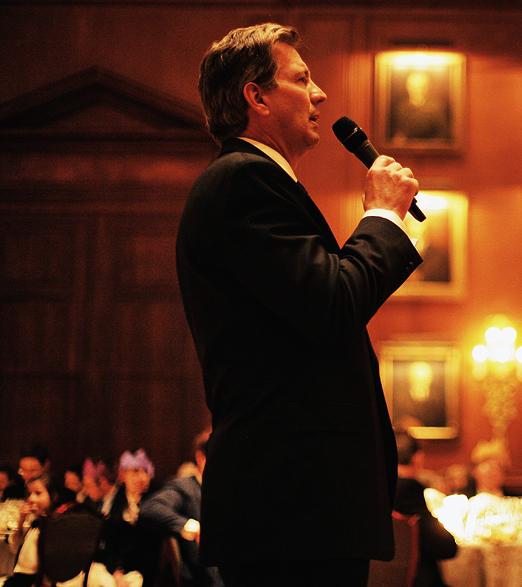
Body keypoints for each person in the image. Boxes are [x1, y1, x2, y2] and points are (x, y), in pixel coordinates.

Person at [175, 23, 422, 587]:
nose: (321, 95)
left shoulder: (260, 182)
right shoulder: (243, 180)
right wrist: (382, 216)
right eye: (302, 79)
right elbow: (333, 302)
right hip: (290, 505)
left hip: (297, 506)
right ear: (256, 97)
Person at [139, 430, 222, 587]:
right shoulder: (186, 488)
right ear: (200, 458)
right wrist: (192, 526)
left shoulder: (228, 490)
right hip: (206, 580)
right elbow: (151, 507)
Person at [392, 429, 457, 587]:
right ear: (417, 458)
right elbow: (445, 547)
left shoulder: (379, 487)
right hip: (414, 580)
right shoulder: (408, 488)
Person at [98, 449, 161, 587]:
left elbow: (152, 544)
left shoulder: (155, 497)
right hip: (119, 570)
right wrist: (117, 572)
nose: (141, 477)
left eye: (144, 471)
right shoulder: (118, 498)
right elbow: (111, 542)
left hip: (146, 570)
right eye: (135, 472)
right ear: (122, 474)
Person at [3, 473, 66, 587]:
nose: (31, 499)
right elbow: (14, 549)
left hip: (40, 580)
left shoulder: (56, 525)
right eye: (29, 494)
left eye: (38, 493)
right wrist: (21, 521)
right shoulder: (36, 521)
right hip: (23, 577)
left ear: (54, 496)